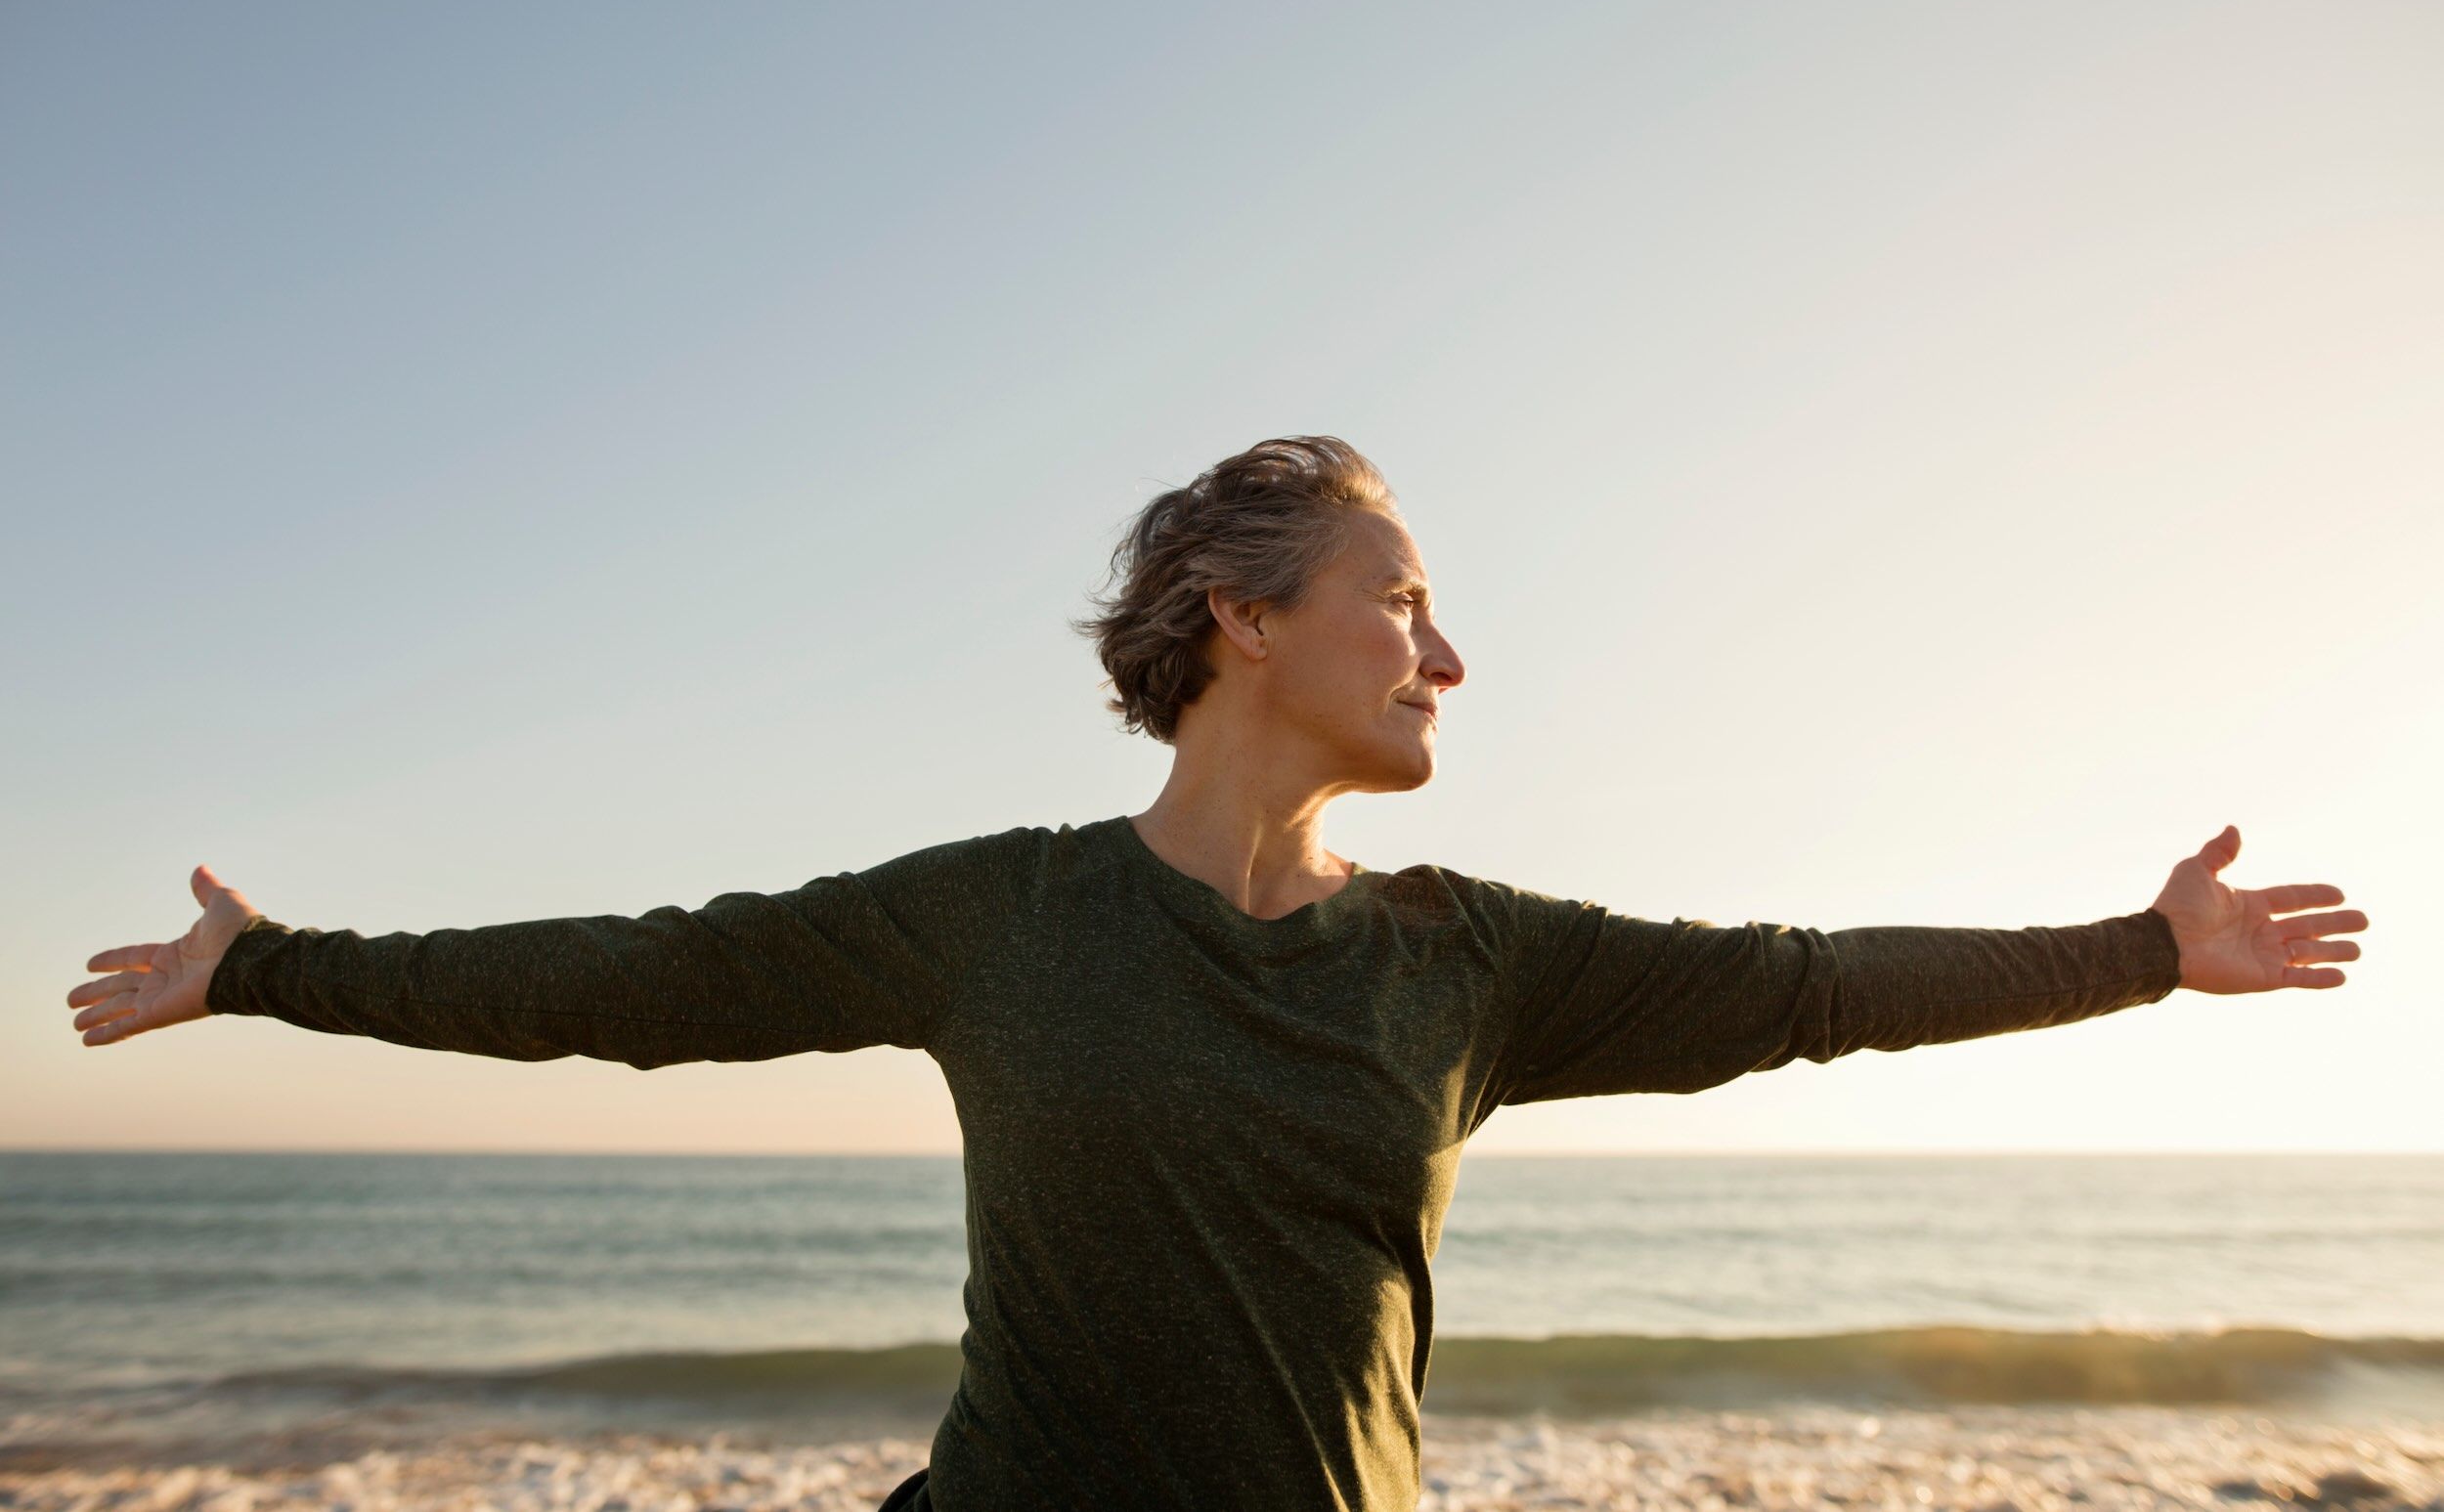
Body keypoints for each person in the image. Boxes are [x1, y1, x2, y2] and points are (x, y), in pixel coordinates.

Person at [68, 436, 2366, 1511]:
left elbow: (1800, 982)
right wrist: (275, 975)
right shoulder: (1000, 916)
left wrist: (2138, 955)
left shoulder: (1480, 963)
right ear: (1243, 623)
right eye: (1399, 599)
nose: (1446, 651)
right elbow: (638, 973)